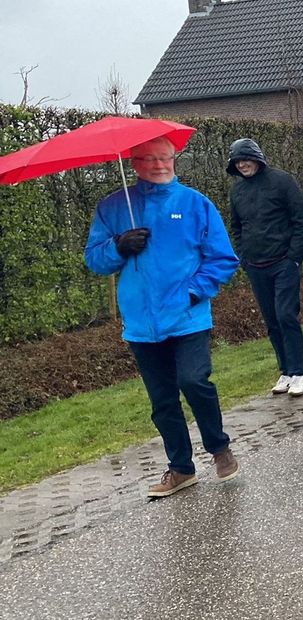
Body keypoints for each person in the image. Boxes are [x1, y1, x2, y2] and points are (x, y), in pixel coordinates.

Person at [85, 137, 240, 498]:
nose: (159, 165)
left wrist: (193, 291)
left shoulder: (196, 204)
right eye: (149, 159)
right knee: (163, 400)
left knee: (194, 381)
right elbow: (93, 258)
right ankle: (181, 469)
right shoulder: (113, 207)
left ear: (174, 159)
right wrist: (117, 247)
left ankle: (219, 448)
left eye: (165, 157)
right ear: (134, 163)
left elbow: (222, 258)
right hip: (141, 323)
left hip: (187, 316)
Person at [227, 138, 303, 396]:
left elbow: (302, 219)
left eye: (246, 159)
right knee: (272, 319)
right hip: (256, 265)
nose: (243, 164)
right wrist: (243, 256)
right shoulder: (237, 192)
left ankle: (299, 372)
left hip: (284, 262)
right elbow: (237, 226)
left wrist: (294, 257)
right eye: (238, 161)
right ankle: (285, 370)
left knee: (286, 314)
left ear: (257, 158)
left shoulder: (282, 181)